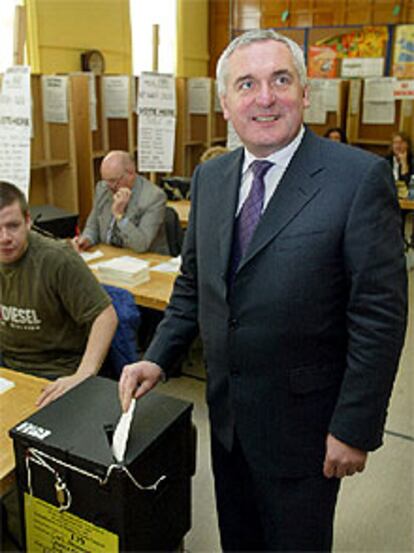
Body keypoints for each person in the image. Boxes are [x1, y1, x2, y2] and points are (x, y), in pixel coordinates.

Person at [118, 29, 407, 551]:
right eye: (246, 84)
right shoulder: (211, 178)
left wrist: (355, 426)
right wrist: (157, 358)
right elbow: (194, 285)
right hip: (228, 421)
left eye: (280, 79)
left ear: (304, 91)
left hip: (308, 431)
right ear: (226, 103)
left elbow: (379, 316)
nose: (265, 97)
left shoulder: (357, 179)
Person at [0, 181, 118, 408]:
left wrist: (84, 374)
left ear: (28, 221)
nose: (4, 237)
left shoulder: (57, 259)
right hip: (8, 366)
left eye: (13, 226)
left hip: (58, 370)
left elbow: (105, 316)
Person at [73, 150, 169, 254]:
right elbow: (93, 226)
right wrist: (86, 239)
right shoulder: (103, 188)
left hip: (145, 260)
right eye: (106, 180)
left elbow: (142, 245)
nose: (110, 186)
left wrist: (120, 216)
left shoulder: (153, 197)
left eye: (113, 180)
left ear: (131, 173)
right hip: (109, 256)